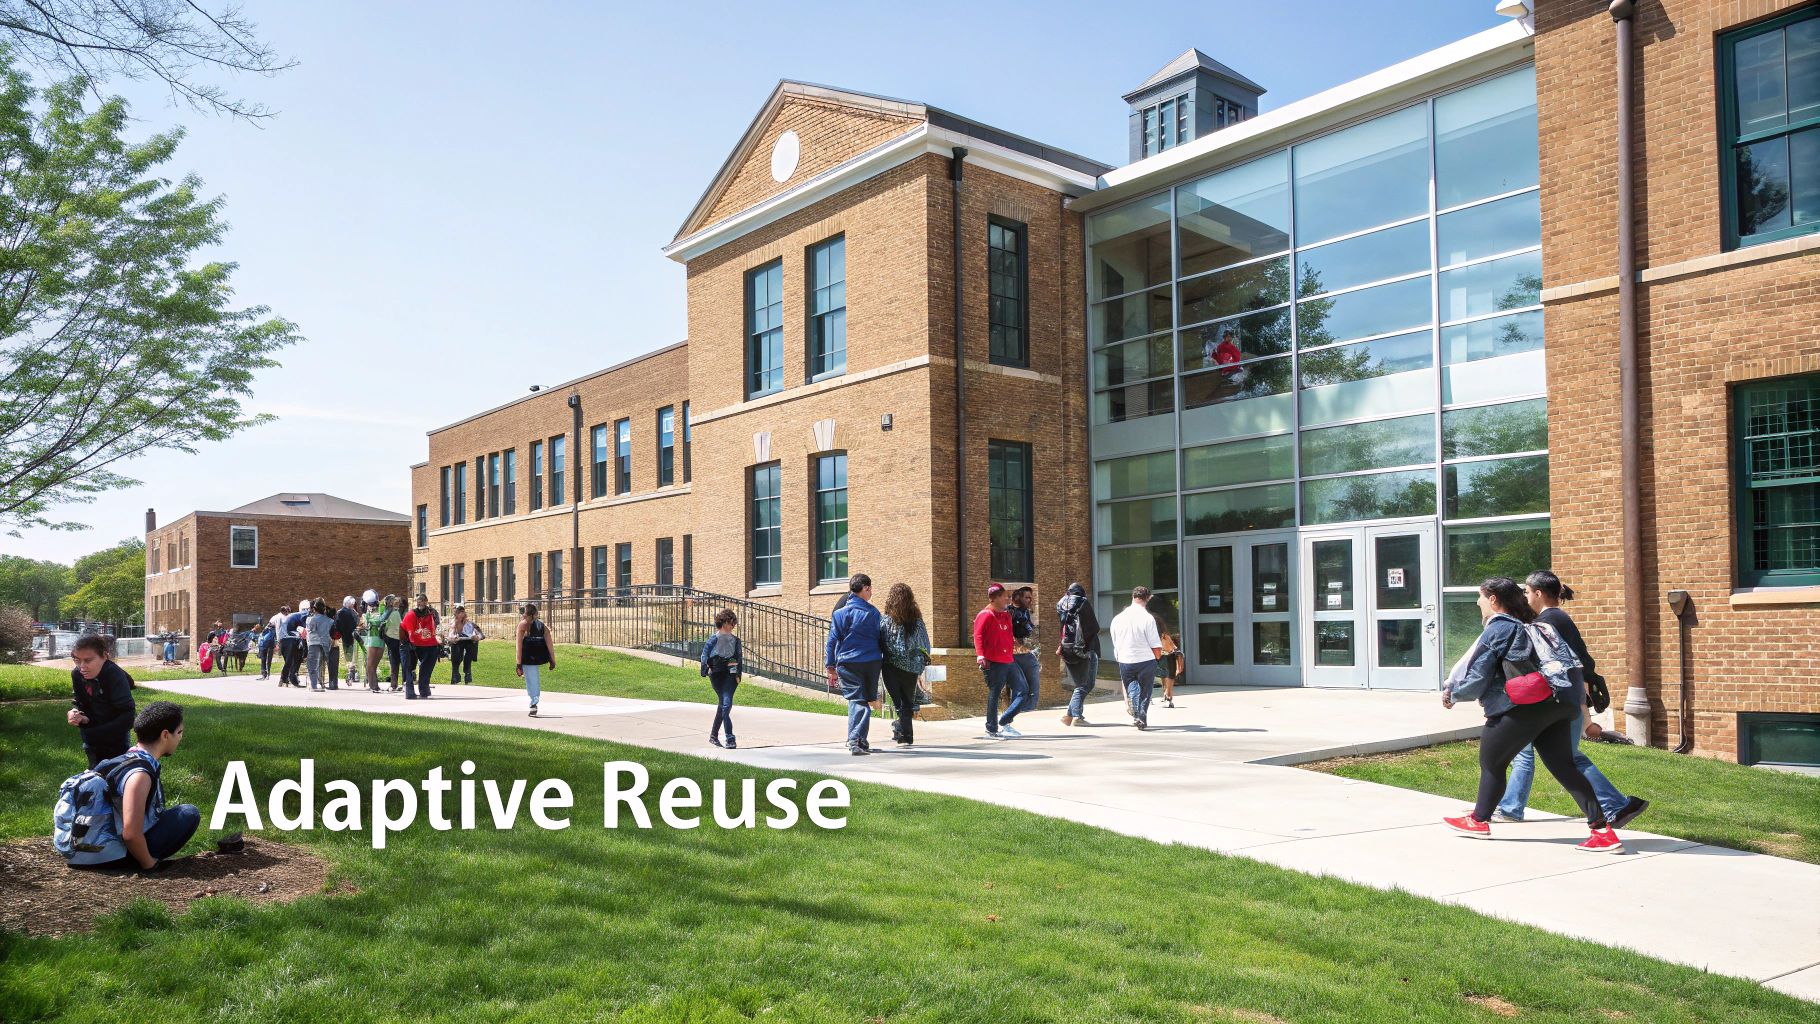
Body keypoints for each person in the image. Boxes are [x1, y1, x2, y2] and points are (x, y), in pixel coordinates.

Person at [1440, 576, 1625, 854]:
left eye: (1480, 597)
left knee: (1492, 761)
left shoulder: (1499, 628)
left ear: (1492, 600)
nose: (1478, 602)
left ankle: (1478, 820)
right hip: (1558, 703)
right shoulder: (1532, 625)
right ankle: (1602, 831)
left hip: (1523, 705)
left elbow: (1479, 675)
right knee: (1564, 767)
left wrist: (1453, 695)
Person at [1495, 571, 1649, 829]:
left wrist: (1580, 707)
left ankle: (1511, 808)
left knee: (1544, 753)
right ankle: (1616, 804)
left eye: (1526, 591)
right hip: (1565, 701)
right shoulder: (1556, 618)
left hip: (1559, 702)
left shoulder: (1550, 621)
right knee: (1561, 756)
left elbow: (1573, 665)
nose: (1524, 596)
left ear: (1538, 593)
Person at [72, 701, 200, 871]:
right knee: (188, 813)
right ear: (165, 735)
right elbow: (130, 834)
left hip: (85, 850)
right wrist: (150, 864)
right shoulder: (139, 774)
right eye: (179, 732)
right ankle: (140, 860)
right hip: (109, 857)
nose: (181, 737)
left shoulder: (123, 759)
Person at [824, 573, 885, 756]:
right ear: (865, 588)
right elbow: (881, 638)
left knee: (857, 699)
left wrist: (830, 664)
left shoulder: (839, 614)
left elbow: (832, 641)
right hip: (871, 662)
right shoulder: (873, 613)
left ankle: (859, 739)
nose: (871, 593)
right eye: (870, 589)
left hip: (848, 662)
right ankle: (856, 740)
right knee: (862, 700)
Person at [67, 635, 136, 768]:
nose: (82, 667)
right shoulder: (76, 674)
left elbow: (128, 716)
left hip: (116, 739)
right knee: (95, 770)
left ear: (104, 656)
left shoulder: (114, 674)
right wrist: (77, 714)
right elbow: (81, 703)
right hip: (91, 737)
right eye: (77, 660)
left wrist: (96, 733)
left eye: (88, 660)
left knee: (116, 774)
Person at [879, 583, 931, 747]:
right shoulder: (917, 621)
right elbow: (925, 644)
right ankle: (903, 733)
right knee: (907, 702)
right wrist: (922, 660)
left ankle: (903, 733)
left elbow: (880, 643)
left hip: (891, 666)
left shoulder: (885, 621)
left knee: (899, 703)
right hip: (911, 668)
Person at [1110, 586, 1163, 731]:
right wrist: (1158, 657)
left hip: (1125, 660)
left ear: (1133, 597)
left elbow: (1115, 641)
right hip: (1145, 659)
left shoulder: (1117, 618)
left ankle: (1136, 714)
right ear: (1148, 598)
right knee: (1145, 690)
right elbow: (1154, 643)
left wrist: (1119, 656)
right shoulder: (1147, 618)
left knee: (1132, 688)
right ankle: (1141, 716)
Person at [972, 583, 1021, 739]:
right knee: (995, 693)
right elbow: (978, 636)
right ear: (995, 598)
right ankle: (991, 729)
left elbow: (1008, 635)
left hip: (1008, 659)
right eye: (1004, 596)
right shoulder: (985, 615)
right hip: (993, 661)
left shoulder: (1006, 615)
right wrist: (980, 655)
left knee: (1023, 689)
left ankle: (1004, 722)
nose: (1008, 599)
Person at [1056, 582, 1102, 727]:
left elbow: (1063, 629)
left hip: (1067, 649)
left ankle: (1069, 716)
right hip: (1087, 649)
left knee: (1079, 685)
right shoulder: (1083, 603)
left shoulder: (1061, 605)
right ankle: (1076, 717)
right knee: (1086, 684)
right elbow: (1094, 627)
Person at [699, 608, 742, 747]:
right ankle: (713, 736)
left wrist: (738, 675)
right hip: (716, 675)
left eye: (734, 623)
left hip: (731, 676)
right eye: (731, 622)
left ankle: (730, 739)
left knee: (726, 704)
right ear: (723, 623)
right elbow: (704, 655)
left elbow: (739, 658)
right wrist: (705, 669)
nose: (733, 625)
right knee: (724, 705)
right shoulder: (713, 639)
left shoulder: (736, 641)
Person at [1006, 586, 1042, 719]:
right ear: (1017, 598)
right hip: (1014, 654)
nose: (1029, 600)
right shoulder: (1010, 612)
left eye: (1030, 598)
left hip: (1028, 653)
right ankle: (1016, 711)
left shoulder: (1026, 612)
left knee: (1033, 684)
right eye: (1026, 597)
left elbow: (1030, 630)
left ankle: (1028, 710)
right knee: (1019, 685)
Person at [516, 602, 555, 717]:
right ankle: (534, 701)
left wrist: (518, 663)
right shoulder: (542, 626)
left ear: (527, 614)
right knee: (534, 678)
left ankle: (534, 702)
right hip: (538, 656)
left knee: (531, 680)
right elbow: (549, 643)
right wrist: (552, 659)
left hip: (528, 657)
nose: (522, 615)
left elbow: (518, 645)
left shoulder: (522, 625)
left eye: (524, 613)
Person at [401, 595, 441, 700]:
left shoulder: (432, 613)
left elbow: (435, 627)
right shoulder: (411, 615)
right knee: (409, 668)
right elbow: (410, 633)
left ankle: (424, 689)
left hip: (428, 642)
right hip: (410, 643)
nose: (420, 603)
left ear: (426, 602)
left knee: (427, 665)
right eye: (418, 602)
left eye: (422, 601)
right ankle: (410, 692)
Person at [447, 606, 485, 684]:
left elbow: (481, 635)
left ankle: (467, 672)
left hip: (469, 642)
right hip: (457, 643)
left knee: (469, 652)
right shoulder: (453, 624)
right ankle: (455, 674)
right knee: (456, 655)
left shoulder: (470, 624)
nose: (461, 614)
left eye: (462, 612)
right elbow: (449, 636)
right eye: (458, 612)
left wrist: (477, 637)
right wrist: (453, 638)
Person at [306, 599, 337, 691]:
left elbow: (311, 630)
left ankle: (314, 685)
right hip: (326, 643)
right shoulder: (330, 620)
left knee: (312, 664)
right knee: (328, 664)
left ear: (314, 609)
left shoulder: (311, 619)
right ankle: (331, 684)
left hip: (314, 643)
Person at [279, 599, 309, 688]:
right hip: (291, 639)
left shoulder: (293, 616)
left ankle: (284, 679)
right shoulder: (304, 616)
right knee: (296, 660)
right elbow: (303, 631)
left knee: (290, 661)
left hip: (285, 639)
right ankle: (290, 678)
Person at [363, 598, 390, 693]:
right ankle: (374, 685)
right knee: (372, 665)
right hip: (376, 640)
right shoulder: (370, 614)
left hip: (377, 640)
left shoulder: (382, 612)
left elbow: (380, 621)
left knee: (372, 665)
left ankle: (374, 685)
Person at [335, 597, 362, 686]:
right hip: (352, 637)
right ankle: (351, 675)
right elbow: (357, 624)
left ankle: (351, 673)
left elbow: (337, 625)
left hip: (343, 637)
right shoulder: (353, 613)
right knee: (353, 657)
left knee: (348, 657)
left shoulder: (339, 612)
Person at [380, 594, 404, 690]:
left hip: (391, 638)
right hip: (398, 639)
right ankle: (403, 683)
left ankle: (394, 684)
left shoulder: (388, 612)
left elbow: (381, 622)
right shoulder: (396, 612)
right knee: (399, 661)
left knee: (394, 661)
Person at [1158, 631, 1181, 708]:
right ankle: (1167, 696)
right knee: (1166, 678)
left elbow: (1174, 647)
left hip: (1167, 658)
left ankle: (1168, 697)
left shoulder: (1165, 636)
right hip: (1163, 658)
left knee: (1168, 678)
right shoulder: (1162, 636)